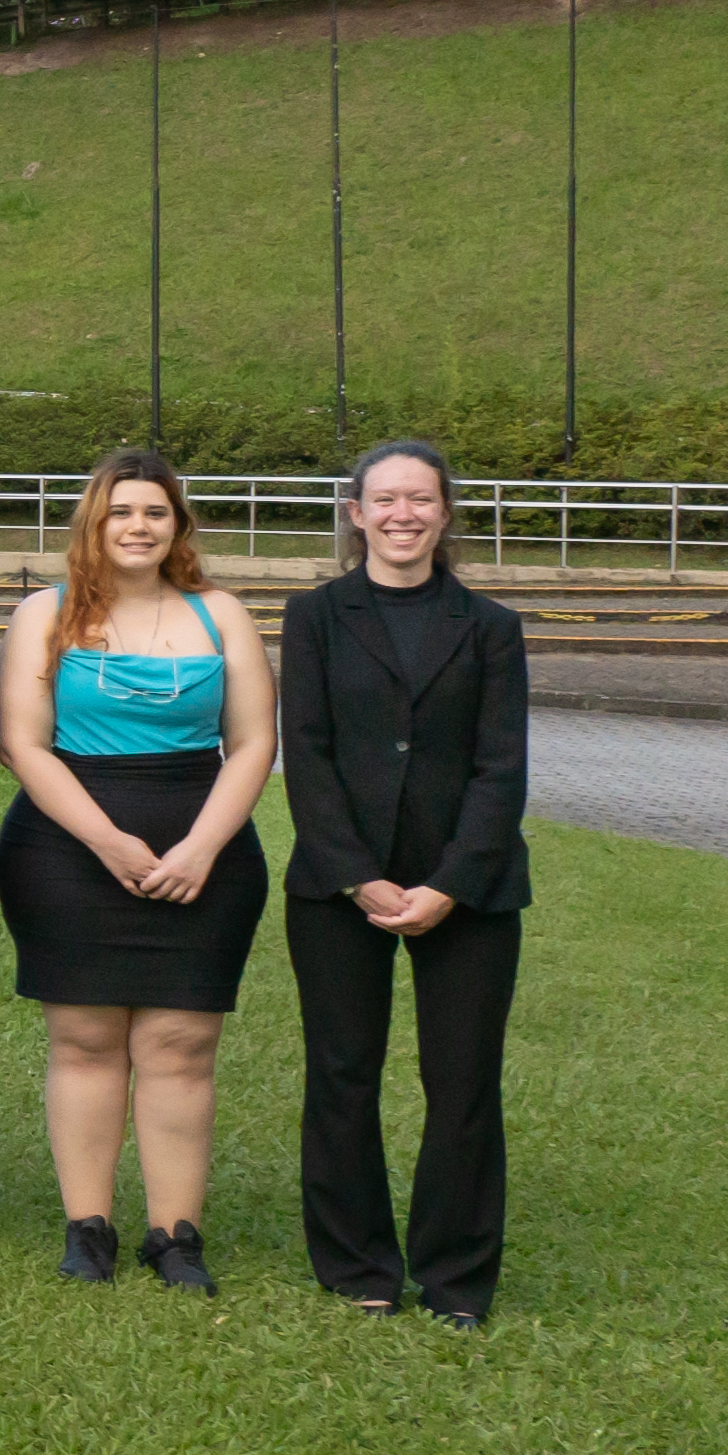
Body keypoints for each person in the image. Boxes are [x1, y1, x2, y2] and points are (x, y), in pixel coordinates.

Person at [0, 448, 276, 1297]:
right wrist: (109, 842)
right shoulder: (44, 616)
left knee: (181, 1045)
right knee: (84, 1041)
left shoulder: (221, 613)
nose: (138, 526)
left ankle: (174, 1236)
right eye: (121, 512)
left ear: (177, 527)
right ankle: (90, 1228)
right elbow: (22, 744)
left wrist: (201, 848)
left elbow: (255, 741)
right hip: (66, 851)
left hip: (204, 850)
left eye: (155, 512)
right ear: (94, 522)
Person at [279, 440, 529, 1328]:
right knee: (343, 1074)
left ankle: (455, 1280)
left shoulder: (491, 626)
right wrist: (357, 879)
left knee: (462, 1084)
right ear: (356, 515)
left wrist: (450, 884)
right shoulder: (313, 617)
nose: (402, 515)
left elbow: (503, 770)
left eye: (420, 500)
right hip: (339, 888)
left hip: (471, 892)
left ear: (446, 513)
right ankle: (358, 1268)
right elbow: (302, 754)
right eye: (384, 500)